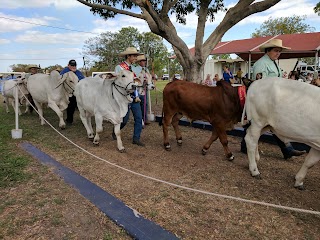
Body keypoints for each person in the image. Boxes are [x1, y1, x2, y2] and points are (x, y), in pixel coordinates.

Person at [241, 39, 305, 159]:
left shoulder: (272, 62)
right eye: (276, 51)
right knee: (264, 124)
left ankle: (287, 150)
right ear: (268, 51)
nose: (278, 53)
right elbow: (259, 85)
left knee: (267, 125)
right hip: (265, 101)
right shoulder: (261, 64)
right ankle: (287, 150)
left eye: (279, 51)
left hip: (273, 100)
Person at [114, 47, 145, 146]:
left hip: (135, 96)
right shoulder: (119, 68)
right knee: (124, 119)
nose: (136, 57)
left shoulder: (135, 68)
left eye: (136, 55)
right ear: (128, 56)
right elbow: (116, 82)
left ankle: (136, 138)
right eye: (134, 56)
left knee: (138, 118)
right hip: (124, 97)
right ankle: (115, 130)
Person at [60, 59, 85, 125]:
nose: (74, 67)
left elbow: (83, 80)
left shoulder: (78, 72)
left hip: (79, 92)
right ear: (68, 65)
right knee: (71, 107)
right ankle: (69, 120)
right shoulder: (65, 72)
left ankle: (85, 120)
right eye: (72, 65)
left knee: (82, 107)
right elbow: (60, 80)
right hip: (69, 93)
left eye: (75, 65)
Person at [132, 54, 151, 125]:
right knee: (137, 105)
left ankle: (144, 118)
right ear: (139, 62)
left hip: (144, 90)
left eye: (145, 61)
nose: (144, 62)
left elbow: (149, 78)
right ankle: (138, 120)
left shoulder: (146, 69)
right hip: (137, 90)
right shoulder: (134, 69)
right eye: (143, 61)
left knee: (145, 104)